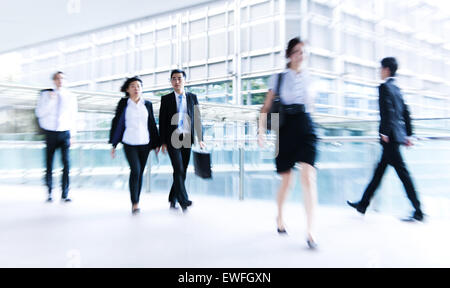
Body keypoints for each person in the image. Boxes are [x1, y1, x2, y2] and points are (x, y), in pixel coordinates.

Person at [258, 37, 318, 249]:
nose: (300, 55)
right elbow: (266, 107)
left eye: (303, 51)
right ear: (289, 54)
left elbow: (311, 107)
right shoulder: (279, 77)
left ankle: (310, 230)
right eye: (296, 51)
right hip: (286, 129)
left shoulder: (311, 78)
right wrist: (261, 131)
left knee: (309, 176)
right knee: (287, 180)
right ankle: (280, 217)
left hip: (306, 126)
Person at [347, 57, 424, 222]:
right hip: (396, 137)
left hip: (390, 138)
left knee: (403, 175)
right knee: (379, 172)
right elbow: (406, 113)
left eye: (381, 69)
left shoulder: (384, 87)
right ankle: (363, 204)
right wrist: (409, 135)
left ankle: (418, 210)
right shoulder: (397, 88)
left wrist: (384, 132)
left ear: (387, 69)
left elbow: (387, 111)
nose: (379, 72)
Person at [109, 76, 160, 214]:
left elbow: (151, 125)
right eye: (132, 86)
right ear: (127, 89)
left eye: (138, 86)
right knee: (135, 171)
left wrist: (156, 144)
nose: (136, 88)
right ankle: (135, 203)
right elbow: (117, 123)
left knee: (140, 173)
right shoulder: (124, 103)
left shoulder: (147, 104)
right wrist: (113, 144)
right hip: (129, 142)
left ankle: (137, 199)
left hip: (145, 143)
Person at [159, 69, 205, 212]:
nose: (176, 81)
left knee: (182, 170)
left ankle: (173, 198)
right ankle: (183, 200)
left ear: (184, 80)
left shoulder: (192, 97)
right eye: (174, 79)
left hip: (187, 137)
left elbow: (197, 118)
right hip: (172, 138)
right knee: (178, 168)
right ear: (171, 81)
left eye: (179, 78)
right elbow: (162, 121)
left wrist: (200, 138)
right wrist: (163, 142)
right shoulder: (166, 99)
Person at [36, 71, 77, 203]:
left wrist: (73, 135)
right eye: (57, 78)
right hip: (51, 133)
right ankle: (49, 192)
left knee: (66, 163)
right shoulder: (45, 95)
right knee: (49, 163)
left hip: (65, 132)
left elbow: (73, 116)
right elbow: (39, 113)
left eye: (62, 78)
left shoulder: (70, 96)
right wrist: (51, 101)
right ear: (53, 80)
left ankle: (65, 193)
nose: (60, 81)